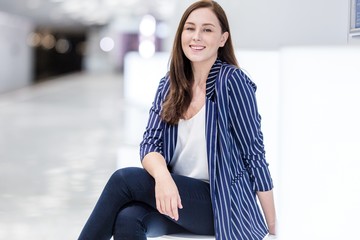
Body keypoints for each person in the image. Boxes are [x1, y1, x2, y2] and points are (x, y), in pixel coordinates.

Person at [78, 0, 276, 239]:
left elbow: (254, 153)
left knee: (123, 179)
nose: (196, 37)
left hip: (222, 204)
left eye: (207, 29)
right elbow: (150, 144)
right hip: (175, 199)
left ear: (222, 39)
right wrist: (163, 178)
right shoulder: (169, 84)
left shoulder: (232, 82)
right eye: (190, 28)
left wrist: (273, 225)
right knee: (128, 218)